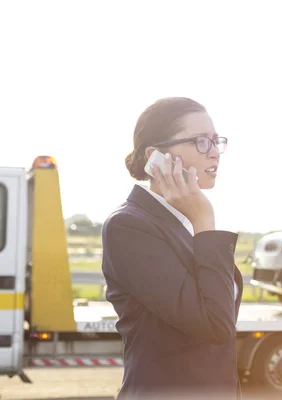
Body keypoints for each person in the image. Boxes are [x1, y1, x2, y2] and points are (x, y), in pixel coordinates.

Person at [101, 97, 243, 400]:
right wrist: (205, 219)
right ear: (156, 157)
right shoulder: (128, 227)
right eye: (200, 141)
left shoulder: (184, 223)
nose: (215, 151)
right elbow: (216, 325)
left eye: (216, 140)